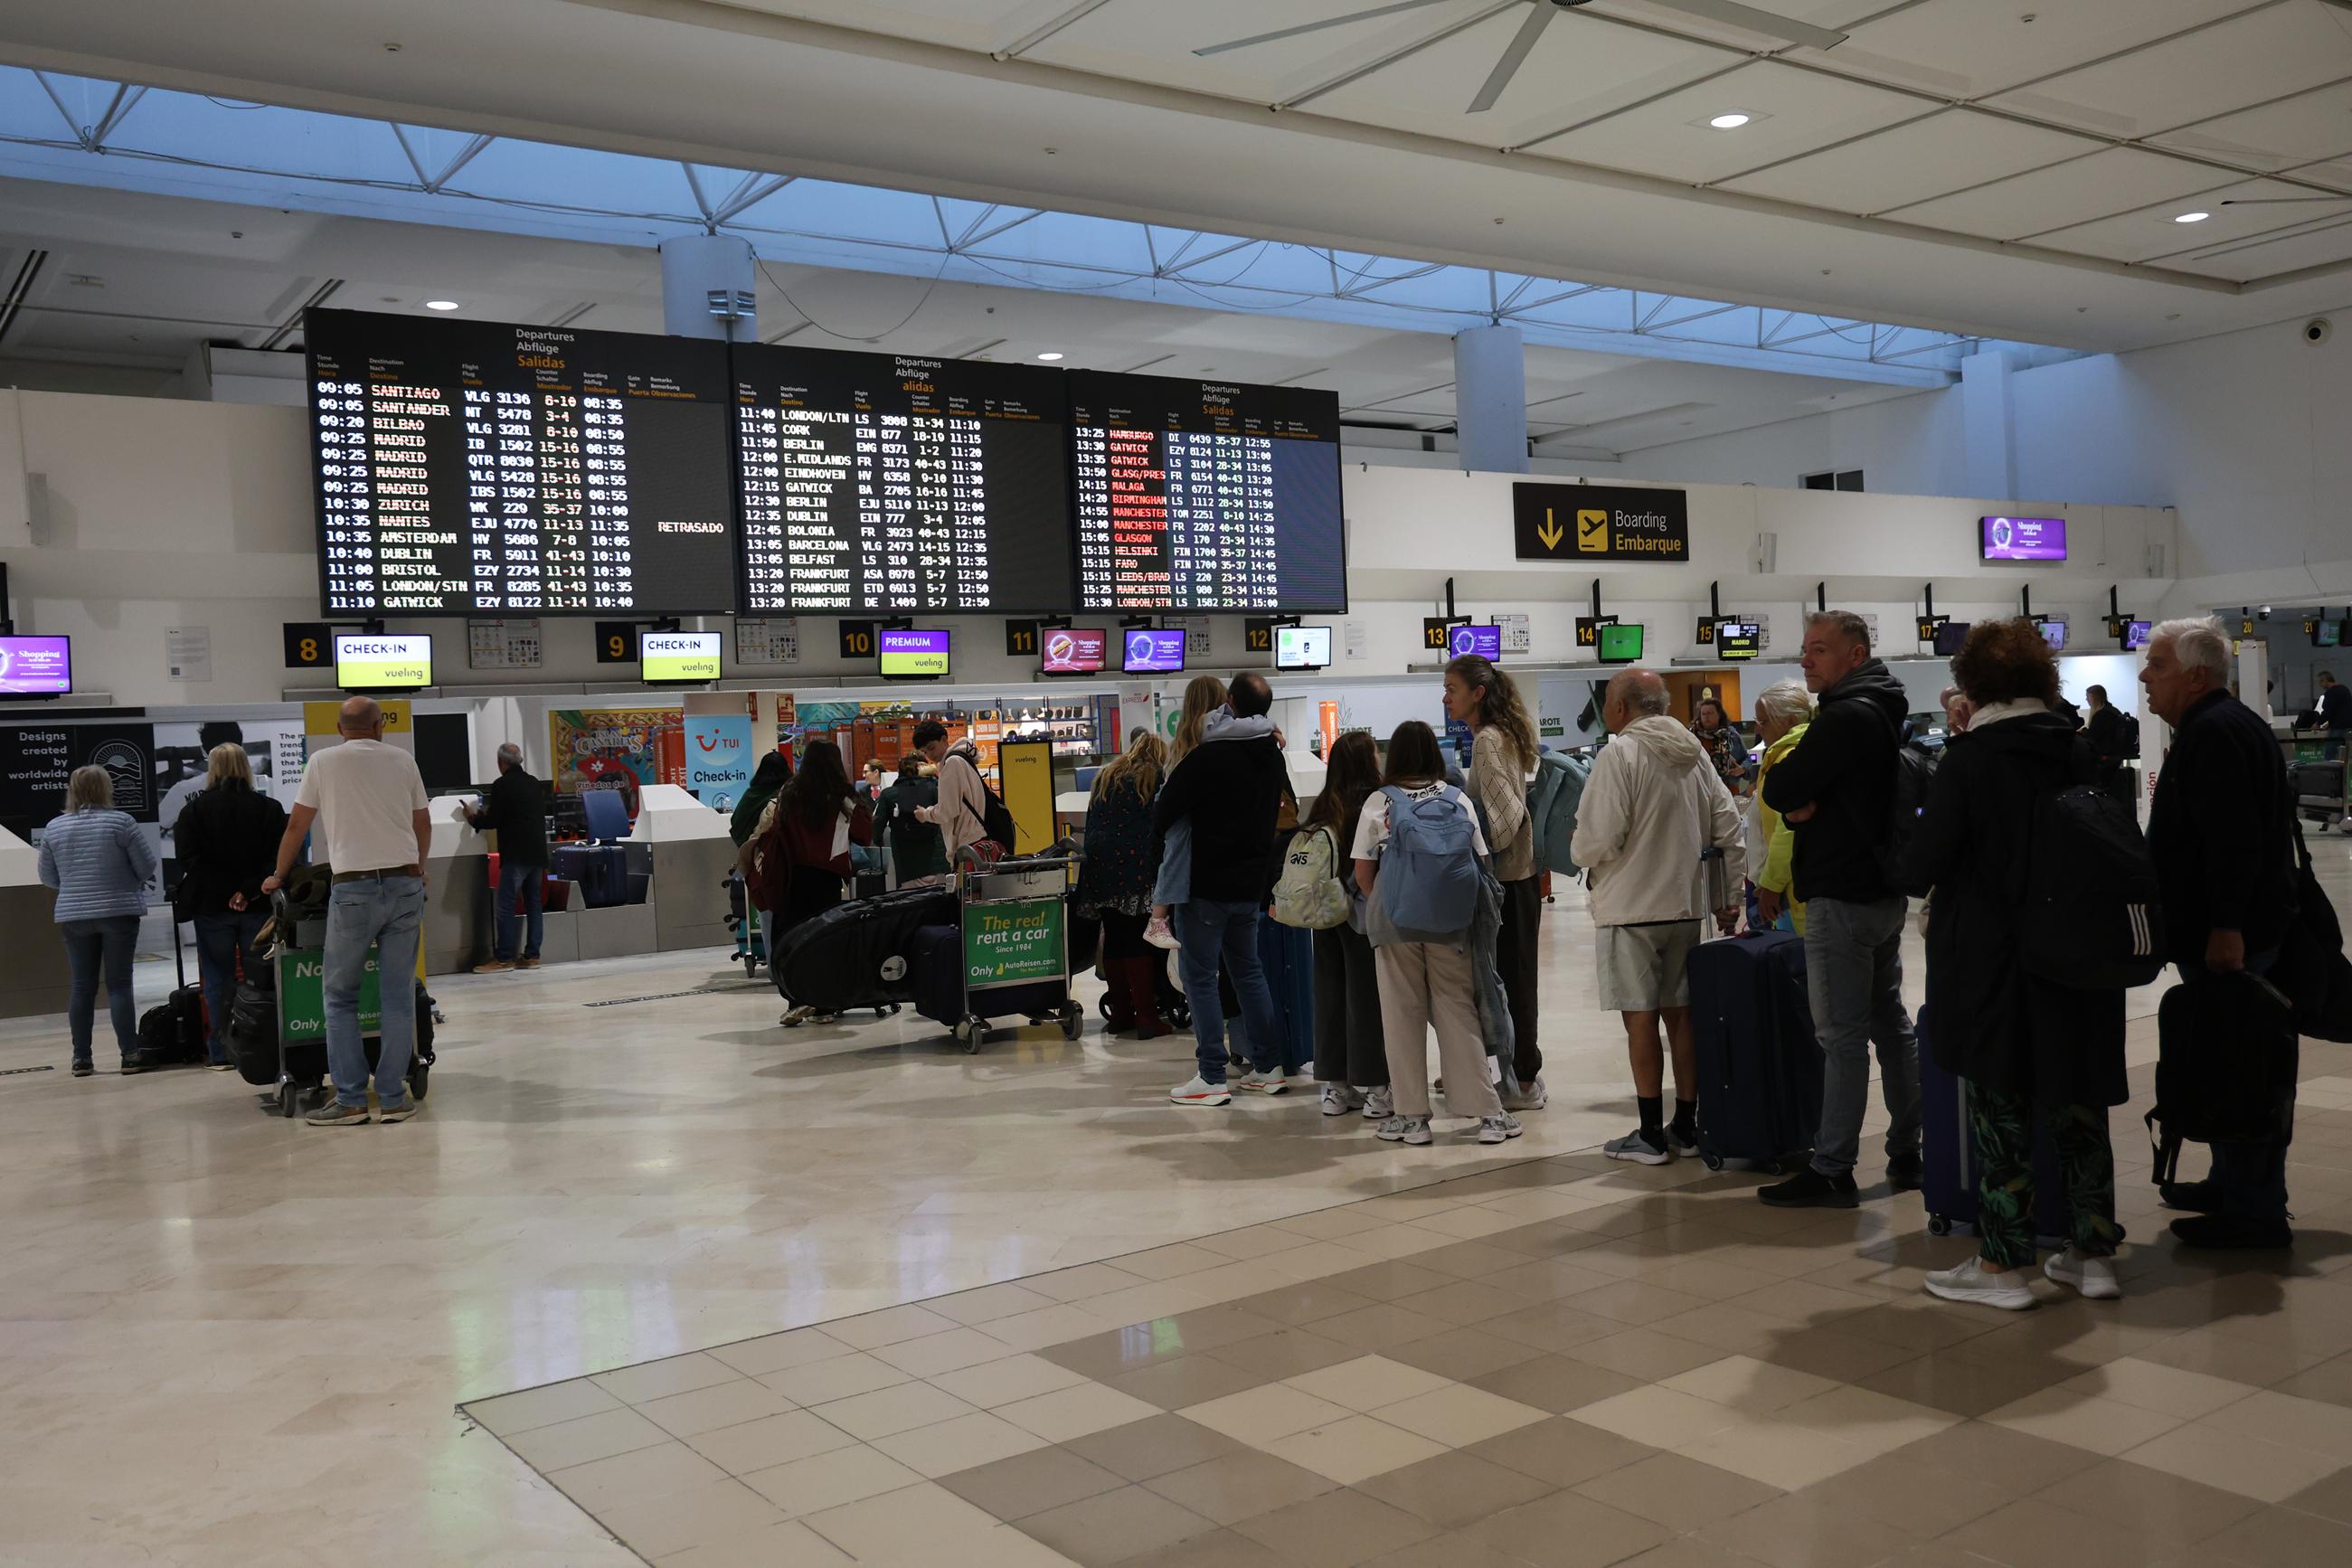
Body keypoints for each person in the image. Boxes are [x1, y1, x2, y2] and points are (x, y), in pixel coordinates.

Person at [1904, 620, 2127, 1309]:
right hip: (2081, 954)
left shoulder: (1971, 760)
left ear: (1970, 685)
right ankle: (2091, 1255)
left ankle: (2003, 1266)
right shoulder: (2079, 750)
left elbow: (1922, 865)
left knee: (1999, 1105)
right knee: (2078, 1101)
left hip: (1992, 960)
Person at [1757, 610, 1923, 1207]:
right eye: (1804, 649)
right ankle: (1908, 1150)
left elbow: (1778, 789)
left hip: (1839, 894)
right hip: (1880, 892)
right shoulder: (1883, 709)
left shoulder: (1844, 716)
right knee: (1890, 1026)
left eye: (1819, 650)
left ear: (1854, 656)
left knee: (1841, 1037)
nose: (1806, 660)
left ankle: (1831, 1167)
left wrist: (1803, 799)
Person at [2143, 616, 2299, 1248]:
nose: (2144, 678)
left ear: (2194, 675)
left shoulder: (2211, 735)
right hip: (2233, 924)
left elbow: (2230, 842)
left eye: (2155, 666)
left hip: (2228, 933)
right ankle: (2229, 1183)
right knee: (2226, 1057)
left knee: (2240, 1065)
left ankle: (2255, 1210)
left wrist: (2224, 927)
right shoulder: (2228, 724)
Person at [1570, 670, 1744, 1164]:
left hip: (1631, 910)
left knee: (1640, 1021)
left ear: (1623, 708)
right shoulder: (1695, 756)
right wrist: (1728, 896)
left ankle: (1649, 1136)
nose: (1605, 710)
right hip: (1684, 908)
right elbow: (1728, 826)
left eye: (1607, 700)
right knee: (1681, 1018)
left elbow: (1599, 838)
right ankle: (1686, 1127)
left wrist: (1577, 848)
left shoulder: (1619, 754)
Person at [264, 696, 430, 1127]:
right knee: (397, 995)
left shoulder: (322, 762)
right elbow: (422, 823)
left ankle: (353, 1099)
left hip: (353, 888)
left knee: (340, 997)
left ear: (341, 730)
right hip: (404, 885)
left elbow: (296, 826)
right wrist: (420, 869)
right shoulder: (404, 761)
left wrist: (278, 875)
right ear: (380, 727)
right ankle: (393, 1098)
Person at [1353, 719, 1519, 1146]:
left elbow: (1363, 870)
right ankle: (1488, 1114)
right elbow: (1481, 862)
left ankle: (1411, 1118)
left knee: (1401, 1017)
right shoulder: (1457, 798)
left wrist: (1392, 901)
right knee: (1458, 1011)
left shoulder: (1379, 801)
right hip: (1452, 922)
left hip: (1395, 924)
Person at [1156, 672, 1292, 1106]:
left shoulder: (1209, 757)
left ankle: (1211, 1075)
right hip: (1251, 884)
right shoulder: (1273, 755)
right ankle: (1268, 1067)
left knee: (1200, 977)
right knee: (1249, 972)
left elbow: (1164, 810)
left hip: (1206, 885)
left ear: (1230, 703)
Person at [1445, 653, 1545, 1110]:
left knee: (1508, 984)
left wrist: (1470, 847)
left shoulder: (1487, 741)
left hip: (1507, 882)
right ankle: (1515, 1075)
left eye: (1452, 689)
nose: (1446, 697)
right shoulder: (1504, 735)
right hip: (1519, 880)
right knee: (1513, 981)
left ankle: (1523, 1081)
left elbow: (1506, 819)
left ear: (1478, 693)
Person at [39, 764, 159, 1077]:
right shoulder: (122, 823)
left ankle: (81, 1058)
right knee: (119, 985)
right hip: (119, 912)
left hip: (74, 915)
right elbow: (146, 867)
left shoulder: (54, 828)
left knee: (82, 987)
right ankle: (129, 1055)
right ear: (106, 788)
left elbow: (48, 877)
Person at [172, 742, 287, 1068]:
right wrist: (247, 890)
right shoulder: (269, 808)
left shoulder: (192, 811)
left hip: (212, 907)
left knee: (217, 977)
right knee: (260, 977)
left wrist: (226, 891)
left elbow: (190, 860)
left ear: (213, 769)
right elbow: (277, 858)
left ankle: (221, 1050)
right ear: (245, 767)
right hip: (258, 906)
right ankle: (262, 1044)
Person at [754, 738, 874, 1026]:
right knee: (825, 938)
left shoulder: (790, 792)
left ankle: (795, 999)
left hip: (792, 875)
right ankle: (822, 1004)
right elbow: (864, 834)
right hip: (827, 878)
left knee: (788, 936)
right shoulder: (843, 796)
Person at [1304, 731, 1391, 1120]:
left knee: (1330, 997)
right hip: (1362, 915)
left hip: (1324, 915)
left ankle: (1336, 1090)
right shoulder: (1375, 802)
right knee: (1366, 1000)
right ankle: (1376, 1090)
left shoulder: (1324, 804)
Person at [1075, 731, 1173, 1038]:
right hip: (1134, 867)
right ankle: (1146, 1015)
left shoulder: (1107, 774)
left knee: (1115, 937)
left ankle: (1121, 1013)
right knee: (1137, 939)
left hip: (1099, 867)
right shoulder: (1154, 776)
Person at [1143, 675, 1230, 949]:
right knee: (1177, 853)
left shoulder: (1185, 738)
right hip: (1179, 812)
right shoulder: (1211, 736)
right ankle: (1157, 919)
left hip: (1173, 807)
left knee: (1175, 854)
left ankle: (1159, 916)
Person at [465, 741, 550, 973]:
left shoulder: (502, 785)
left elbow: (494, 821)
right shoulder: (534, 784)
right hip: (537, 853)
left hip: (516, 854)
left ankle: (504, 958)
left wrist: (474, 819)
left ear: (501, 762)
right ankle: (532, 956)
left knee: (506, 905)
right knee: (533, 903)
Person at [1750, 680, 1811, 935]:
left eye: (1764, 721)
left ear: (1790, 721)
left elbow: (1787, 830)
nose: (1757, 727)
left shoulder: (1789, 760)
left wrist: (1771, 885)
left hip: (1793, 889)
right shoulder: (1800, 751)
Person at [912, 719, 1001, 867]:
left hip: (968, 846)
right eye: (924, 752)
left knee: (968, 889)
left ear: (944, 739)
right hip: (979, 840)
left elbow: (948, 810)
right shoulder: (962, 759)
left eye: (931, 748)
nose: (929, 756)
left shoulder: (951, 764)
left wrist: (925, 814)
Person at [874, 753, 948, 883]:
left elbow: (878, 825)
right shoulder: (932, 789)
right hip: (936, 857)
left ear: (899, 772)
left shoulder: (889, 794)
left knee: (911, 899)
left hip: (906, 861)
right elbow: (946, 815)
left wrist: (877, 840)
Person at [2083, 685, 2138, 808]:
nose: (2086, 700)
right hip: (2116, 757)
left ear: (2094, 697)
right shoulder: (2114, 711)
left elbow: (2092, 737)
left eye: (2088, 697)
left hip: (2105, 758)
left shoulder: (2101, 715)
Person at [1689, 694, 1751, 798]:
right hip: (1700, 790)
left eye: (1710, 713)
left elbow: (1747, 758)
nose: (1706, 717)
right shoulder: (1692, 736)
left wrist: (1742, 769)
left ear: (1719, 715)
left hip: (1729, 789)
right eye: (1703, 714)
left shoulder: (1731, 735)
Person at [731, 751, 790, 847]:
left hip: (751, 850)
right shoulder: (786, 794)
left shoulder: (750, 794)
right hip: (779, 851)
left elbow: (736, 822)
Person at [2317, 670, 2351, 760]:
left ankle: (2328, 772)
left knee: (2330, 752)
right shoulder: (2344, 689)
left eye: (2320, 682)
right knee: (2346, 753)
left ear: (2325, 680)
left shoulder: (2331, 692)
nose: (2319, 685)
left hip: (2338, 728)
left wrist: (2317, 723)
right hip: (2348, 726)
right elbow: (2341, 710)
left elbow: (2328, 711)